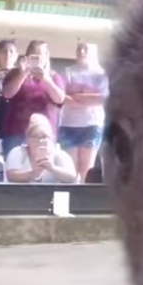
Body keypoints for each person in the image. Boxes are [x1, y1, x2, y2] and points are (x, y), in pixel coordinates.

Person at [0, 40, 67, 158]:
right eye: (34, 54)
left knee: (41, 171)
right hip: (16, 132)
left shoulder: (53, 76)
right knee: (14, 171)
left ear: (47, 57)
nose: (38, 58)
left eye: (41, 54)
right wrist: (23, 74)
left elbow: (59, 99)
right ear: (27, 56)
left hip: (44, 134)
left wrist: (46, 79)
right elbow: (7, 94)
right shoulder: (15, 73)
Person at [59, 42, 109, 182]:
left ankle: (83, 199)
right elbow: (61, 96)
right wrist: (87, 100)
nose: (81, 51)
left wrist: (79, 96)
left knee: (87, 169)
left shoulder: (101, 74)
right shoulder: (67, 72)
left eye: (85, 49)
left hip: (92, 125)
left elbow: (103, 98)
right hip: (68, 124)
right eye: (79, 48)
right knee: (71, 170)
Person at [4, 113, 79, 184]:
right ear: (27, 139)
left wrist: (52, 168)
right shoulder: (17, 152)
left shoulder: (59, 154)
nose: (40, 140)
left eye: (44, 136)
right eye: (35, 136)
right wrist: (33, 172)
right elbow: (11, 176)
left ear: (52, 138)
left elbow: (71, 177)